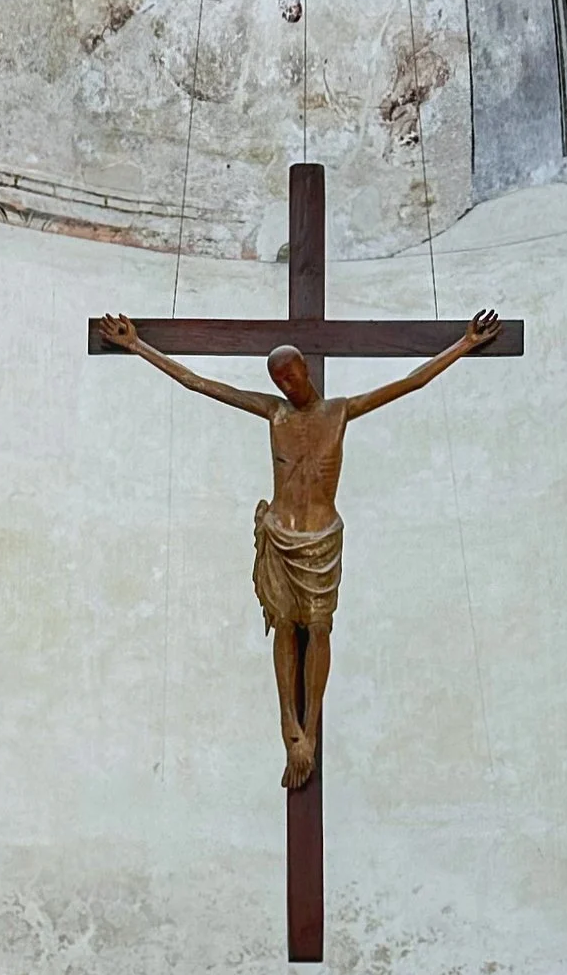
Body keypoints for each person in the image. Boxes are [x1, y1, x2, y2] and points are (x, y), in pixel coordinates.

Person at [95, 311, 500, 787]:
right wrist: (139, 346)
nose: (286, 386)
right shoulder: (274, 412)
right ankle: (289, 727)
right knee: (285, 626)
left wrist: (463, 344)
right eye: (278, 380)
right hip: (280, 535)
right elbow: (197, 382)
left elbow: (410, 382)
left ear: (306, 368)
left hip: (321, 540)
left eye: (290, 375)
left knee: (320, 627)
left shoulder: (340, 411)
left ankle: (309, 734)